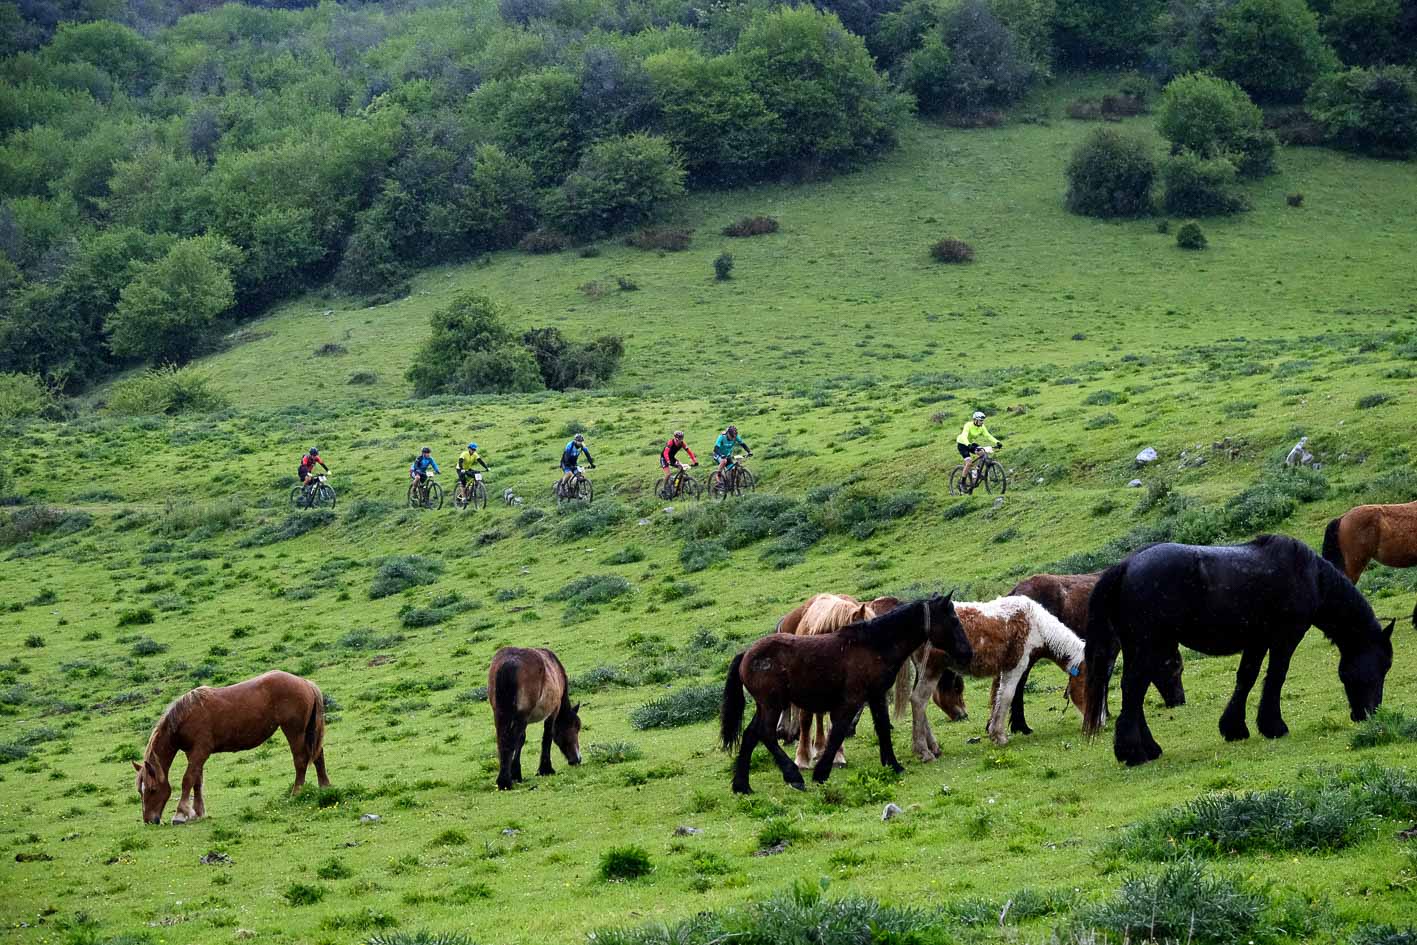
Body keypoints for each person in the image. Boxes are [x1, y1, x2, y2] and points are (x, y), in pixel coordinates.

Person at [956, 411, 1001, 486]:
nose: (982, 422)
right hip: (962, 444)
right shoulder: (968, 425)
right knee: (969, 463)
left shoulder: (982, 427)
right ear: (975, 420)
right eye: (980, 420)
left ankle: (977, 472)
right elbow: (964, 436)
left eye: (982, 421)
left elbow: (988, 435)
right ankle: (962, 483)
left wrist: (997, 442)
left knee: (982, 453)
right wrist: (968, 444)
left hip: (970, 443)